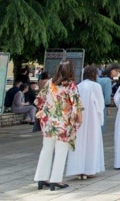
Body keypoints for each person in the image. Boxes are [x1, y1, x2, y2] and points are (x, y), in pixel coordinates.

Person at [34, 61, 82, 191]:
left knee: (46, 149)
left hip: (48, 122)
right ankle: (56, 180)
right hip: (63, 123)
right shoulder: (71, 86)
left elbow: (39, 100)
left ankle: (41, 178)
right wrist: (78, 121)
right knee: (61, 151)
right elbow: (76, 106)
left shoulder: (50, 83)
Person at [66, 66, 105, 179]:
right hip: (92, 118)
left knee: (80, 142)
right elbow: (100, 104)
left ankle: (78, 169)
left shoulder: (78, 86)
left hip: (79, 118)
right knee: (92, 142)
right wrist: (100, 119)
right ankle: (90, 169)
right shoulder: (96, 86)